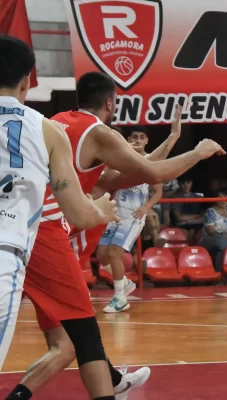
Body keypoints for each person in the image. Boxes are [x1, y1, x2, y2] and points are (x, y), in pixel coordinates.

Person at [7, 71, 225, 400]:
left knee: (66, 343)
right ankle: (110, 385)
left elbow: (119, 177)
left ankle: (113, 380)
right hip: (54, 236)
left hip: (25, 228)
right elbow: (150, 172)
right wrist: (199, 152)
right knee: (81, 335)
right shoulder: (98, 132)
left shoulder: (56, 122)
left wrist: (172, 139)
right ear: (111, 102)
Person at [0, 35, 117, 374]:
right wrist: (102, 212)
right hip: (7, 253)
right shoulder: (47, 129)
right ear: (27, 81)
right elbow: (79, 213)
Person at [97, 125, 165, 313]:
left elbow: (158, 191)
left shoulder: (148, 161)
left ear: (146, 141)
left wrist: (145, 207)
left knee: (113, 253)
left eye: (141, 137)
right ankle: (125, 283)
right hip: (116, 213)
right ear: (128, 139)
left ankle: (120, 298)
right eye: (134, 136)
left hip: (133, 215)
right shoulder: (120, 158)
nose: (137, 140)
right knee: (102, 256)